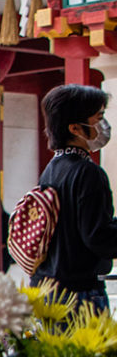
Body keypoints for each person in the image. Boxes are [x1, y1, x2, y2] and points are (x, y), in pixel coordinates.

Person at [33, 84, 117, 310]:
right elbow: (99, 237)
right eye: (98, 118)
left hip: (49, 290)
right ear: (75, 128)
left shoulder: (51, 170)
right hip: (79, 294)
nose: (103, 125)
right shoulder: (88, 172)